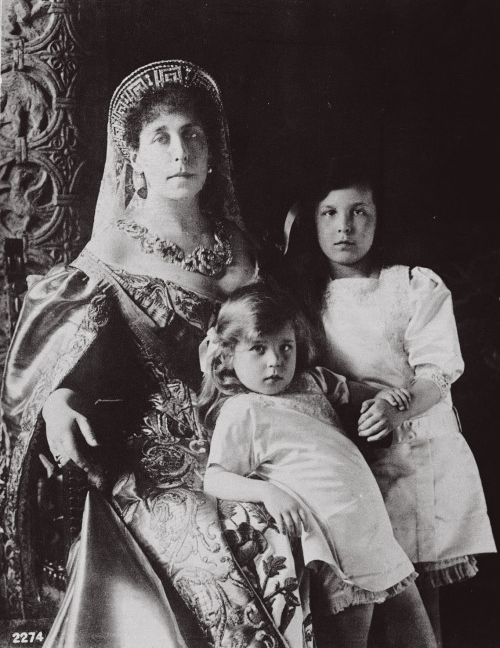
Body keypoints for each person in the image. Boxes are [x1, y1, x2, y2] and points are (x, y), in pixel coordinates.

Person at [0, 61, 305, 647]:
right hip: (159, 457)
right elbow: (70, 368)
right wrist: (60, 406)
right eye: (160, 138)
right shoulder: (106, 259)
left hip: (261, 435)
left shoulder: (244, 247)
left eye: (193, 135)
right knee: (230, 539)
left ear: (213, 154)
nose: (179, 153)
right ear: (133, 157)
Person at [283, 155, 497, 646]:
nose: (345, 228)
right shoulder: (305, 298)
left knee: (417, 593)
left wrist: (394, 406)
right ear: (310, 220)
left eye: (360, 212)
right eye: (329, 213)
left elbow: (437, 373)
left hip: (417, 450)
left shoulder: (411, 285)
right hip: (352, 455)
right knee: (359, 589)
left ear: (379, 219)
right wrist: (356, 397)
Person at [200, 282, 438, 648]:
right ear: (229, 355)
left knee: (421, 640)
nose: (275, 361)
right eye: (258, 349)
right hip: (335, 544)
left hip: (373, 531)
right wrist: (268, 492)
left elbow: (362, 395)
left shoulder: (312, 382)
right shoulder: (242, 410)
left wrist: (384, 398)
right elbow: (215, 478)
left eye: (285, 347)